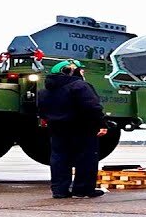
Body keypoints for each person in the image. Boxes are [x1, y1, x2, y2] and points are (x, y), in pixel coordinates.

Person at [38, 59, 108, 199]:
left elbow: (41, 111)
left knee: (59, 159)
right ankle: (83, 190)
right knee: (86, 158)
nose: (82, 72)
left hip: (57, 129)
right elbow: (92, 107)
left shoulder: (45, 91)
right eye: (79, 70)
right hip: (82, 128)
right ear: (69, 71)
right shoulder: (79, 86)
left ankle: (59, 190)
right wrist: (101, 124)